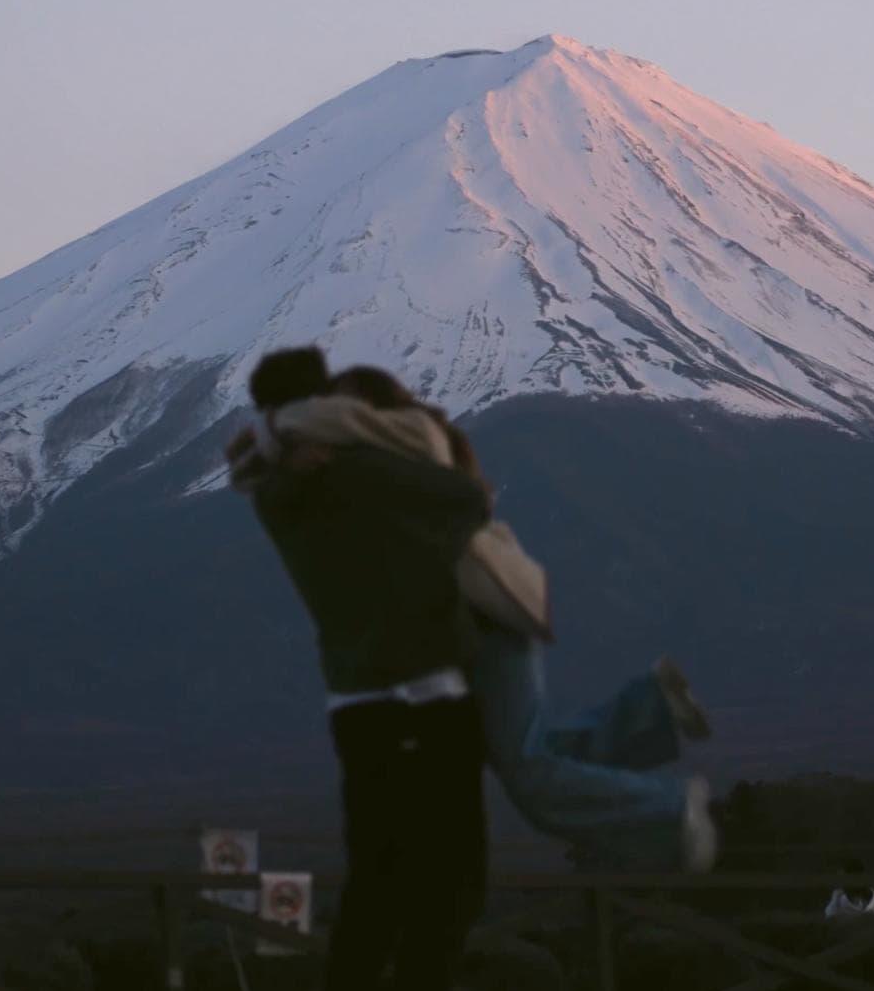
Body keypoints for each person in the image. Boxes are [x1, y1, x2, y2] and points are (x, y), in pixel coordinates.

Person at [236, 353, 718, 880]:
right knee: (521, 749)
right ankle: (653, 708)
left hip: (481, 617)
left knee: (529, 775)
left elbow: (323, 434)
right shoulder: (404, 445)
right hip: (482, 614)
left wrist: (273, 429)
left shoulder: (385, 451)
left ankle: (670, 812)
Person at [227, 346, 487, 991]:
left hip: (358, 707)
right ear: (326, 407)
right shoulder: (356, 474)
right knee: (450, 888)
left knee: (376, 888)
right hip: (423, 698)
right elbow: (465, 496)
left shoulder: (275, 491)